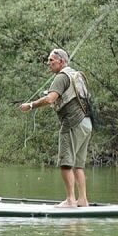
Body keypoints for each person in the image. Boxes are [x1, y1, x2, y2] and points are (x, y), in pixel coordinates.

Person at [19, 48, 93, 208]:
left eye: (51, 60)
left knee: (66, 163)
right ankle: (82, 200)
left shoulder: (61, 77)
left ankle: (70, 200)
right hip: (87, 123)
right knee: (78, 165)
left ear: (61, 61)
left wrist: (30, 105)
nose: (48, 63)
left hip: (72, 123)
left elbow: (50, 99)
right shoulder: (76, 75)